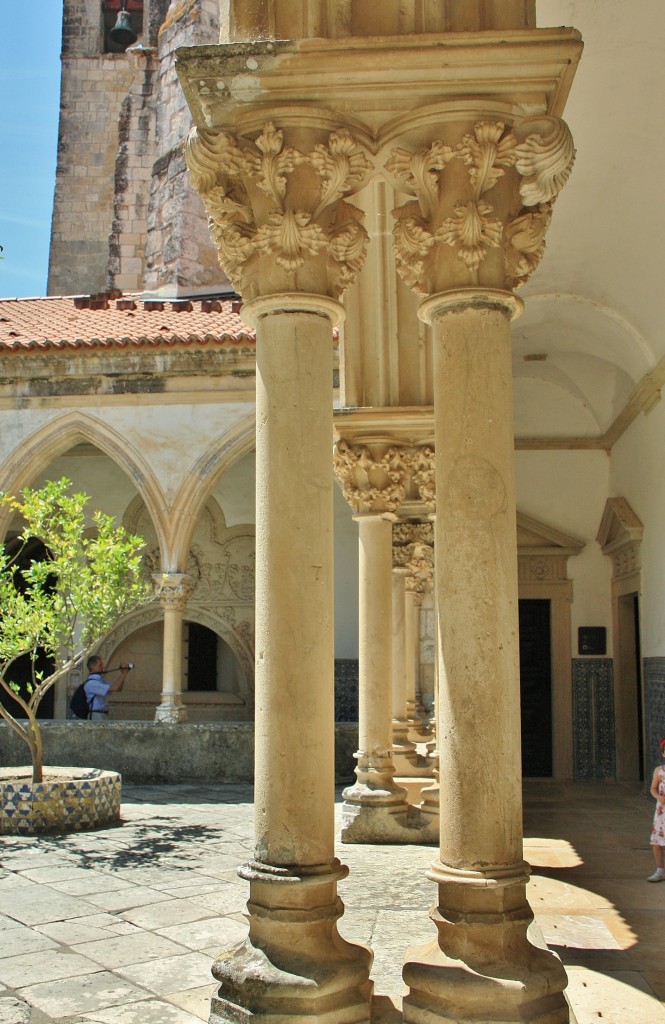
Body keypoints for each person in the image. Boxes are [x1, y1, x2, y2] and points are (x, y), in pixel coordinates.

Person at [83, 656, 130, 720]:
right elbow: (114, 688)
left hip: (102, 714)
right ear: (92, 667)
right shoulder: (91, 684)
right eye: (100, 665)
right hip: (96, 715)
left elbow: (118, 689)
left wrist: (123, 673)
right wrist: (124, 673)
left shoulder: (100, 681)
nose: (103, 667)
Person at [647, 737, 665, 882]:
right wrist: (659, 797)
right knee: (657, 842)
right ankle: (660, 870)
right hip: (661, 811)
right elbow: (653, 788)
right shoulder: (659, 771)